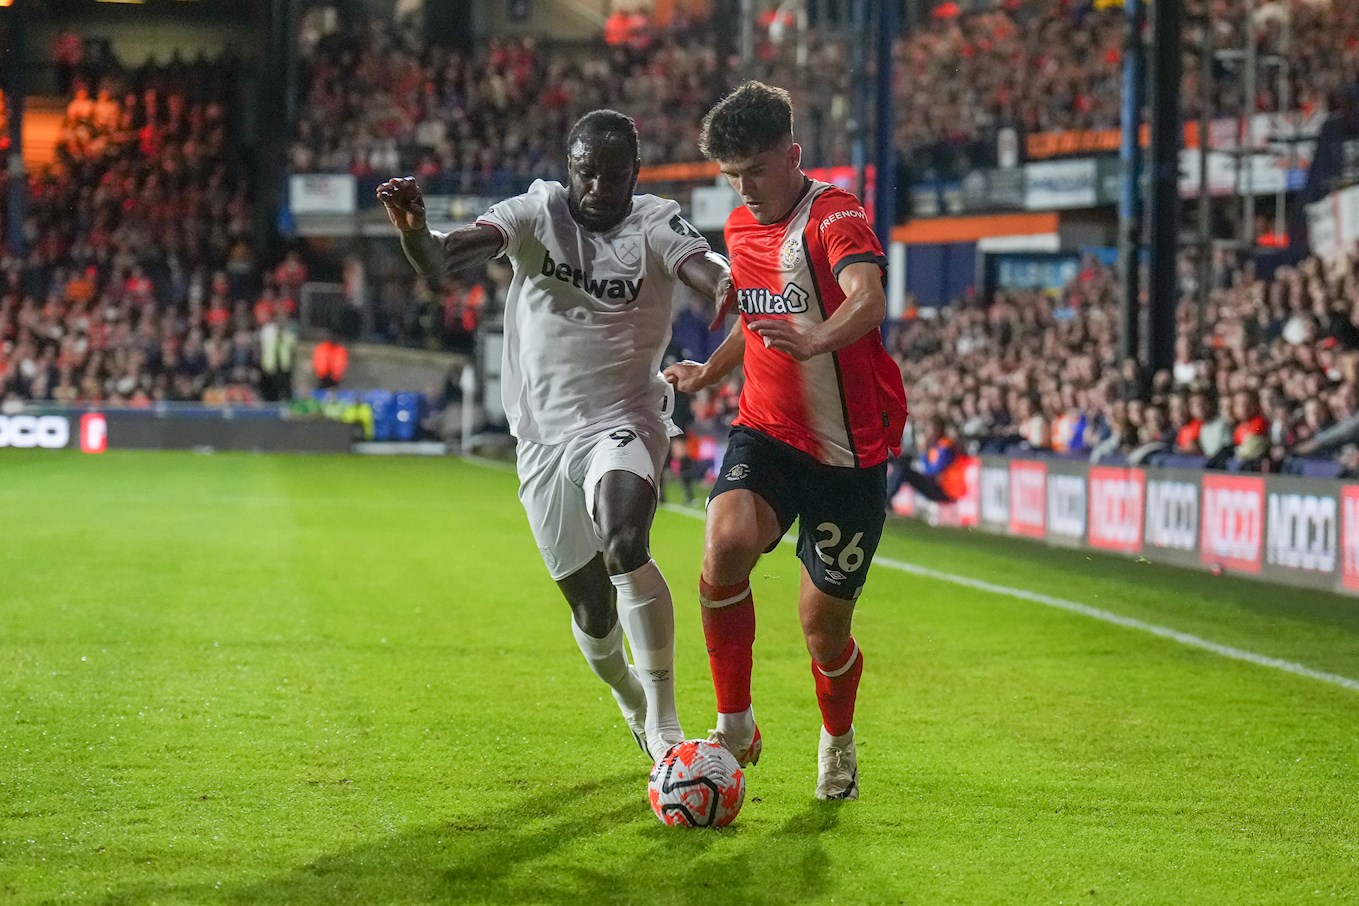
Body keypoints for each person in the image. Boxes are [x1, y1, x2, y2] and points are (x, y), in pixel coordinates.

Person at [376, 110, 732, 763]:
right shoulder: (535, 212)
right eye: (585, 172)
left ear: (635, 174)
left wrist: (732, 285)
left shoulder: (655, 221)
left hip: (624, 414)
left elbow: (706, 268)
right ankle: (628, 697)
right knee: (594, 620)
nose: (598, 186)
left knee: (626, 541)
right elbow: (440, 258)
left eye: (613, 175)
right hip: (541, 438)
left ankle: (665, 728)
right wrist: (414, 230)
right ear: (568, 168)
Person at [664, 82, 909, 800]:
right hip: (767, 432)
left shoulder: (835, 215)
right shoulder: (740, 230)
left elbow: (867, 300)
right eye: (731, 176)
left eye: (756, 171)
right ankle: (734, 723)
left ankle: (836, 738)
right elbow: (757, 315)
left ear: (792, 155)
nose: (744, 190)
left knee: (821, 630)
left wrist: (814, 340)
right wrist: (709, 372)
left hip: (848, 455)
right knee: (724, 543)